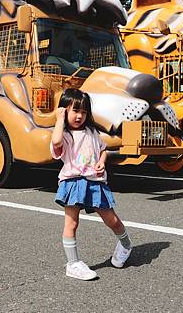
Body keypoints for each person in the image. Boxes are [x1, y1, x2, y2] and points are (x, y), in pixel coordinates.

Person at [51, 88, 133, 280]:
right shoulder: (63, 134)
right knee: (71, 223)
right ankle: (73, 264)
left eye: (84, 112)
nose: (79, 116)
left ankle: (126, 244)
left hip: (95, 182)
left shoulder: (92, 132)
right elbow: (55, 142)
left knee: (110, 219)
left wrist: (102, 162)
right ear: (64, 110)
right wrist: (59, 120)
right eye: (74, 111)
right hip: (72, 181)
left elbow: (103, 149)